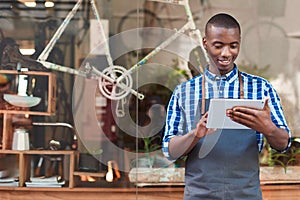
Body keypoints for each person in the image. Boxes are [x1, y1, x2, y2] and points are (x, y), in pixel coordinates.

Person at [162, 13, 291, 199]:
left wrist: (268, 128)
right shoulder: (184, 92)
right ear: (205, 43)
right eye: (218, 45)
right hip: (200, 195)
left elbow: (283, 144)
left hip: (246, 195)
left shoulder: (260, 88)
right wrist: (195, 134)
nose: (226, 53)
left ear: (239, 43)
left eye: (233, 46)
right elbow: (170, 151)